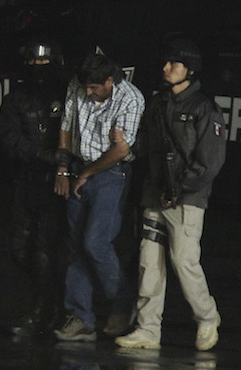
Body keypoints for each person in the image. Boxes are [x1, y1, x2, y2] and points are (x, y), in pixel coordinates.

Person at [115, 39, 226, 351]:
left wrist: (178, 190)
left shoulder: (205, 109)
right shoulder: (159, 103)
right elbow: (147, 144)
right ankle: (148, 329)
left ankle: (207, 317)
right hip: (154, 197)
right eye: (166, 63)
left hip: (187, 201)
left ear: (190, 70)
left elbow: (210, 162)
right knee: (149, 264)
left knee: (184, 261)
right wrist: (124, 149)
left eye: (174, 64)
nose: (166, 69)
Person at [53, 53, 145, 342]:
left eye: (94, 87)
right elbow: (66, 127)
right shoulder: (78, 86)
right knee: (76, 244)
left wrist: (86, 174)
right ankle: (81, 317)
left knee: (95, 242)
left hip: (111, 174)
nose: (88, 92)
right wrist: (64, 169)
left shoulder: (131, 98)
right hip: (80, 166)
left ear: (109, 81)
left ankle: (122, 303)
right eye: (86, 87)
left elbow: (120, 150)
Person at [0, 39, 69, 336]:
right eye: (32, 62)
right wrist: (42, 155)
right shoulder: (15, 98)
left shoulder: (68, 96)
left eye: (43, 62)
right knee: (19, 250)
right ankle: (50, 298)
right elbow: (9, 140)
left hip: (56, 184)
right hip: (25, 181)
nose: (37, 68)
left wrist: (62, 166)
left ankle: (44, 309)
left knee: (44, 250)